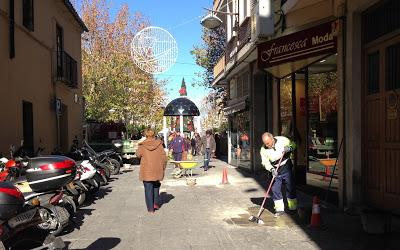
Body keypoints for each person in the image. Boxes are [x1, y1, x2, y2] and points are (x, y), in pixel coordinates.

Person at [260, 132, 297, 218]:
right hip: (275, 169)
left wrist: (290, 147)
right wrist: (271, 169)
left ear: (272, 139)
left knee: (290, 187)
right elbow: (265, 162)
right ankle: (279, 209)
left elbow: (294, 145)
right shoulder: (263, 149)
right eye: (265, 144)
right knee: (275, 189)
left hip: (286, 166)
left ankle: (293, 208)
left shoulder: (283, 140)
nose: (267, 145)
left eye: (268, 143)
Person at [136, 128, 167, 213]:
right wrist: (163, 168)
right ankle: (155, 203)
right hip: (157, 169)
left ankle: (150, 209)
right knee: (156, 186)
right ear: (154, 135)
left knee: (148, 188)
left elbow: (138, 155)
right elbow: (164, 158)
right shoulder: (159, 145)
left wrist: (140, 144)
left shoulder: (142, 145)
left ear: (145, 135)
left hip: (146, 171)